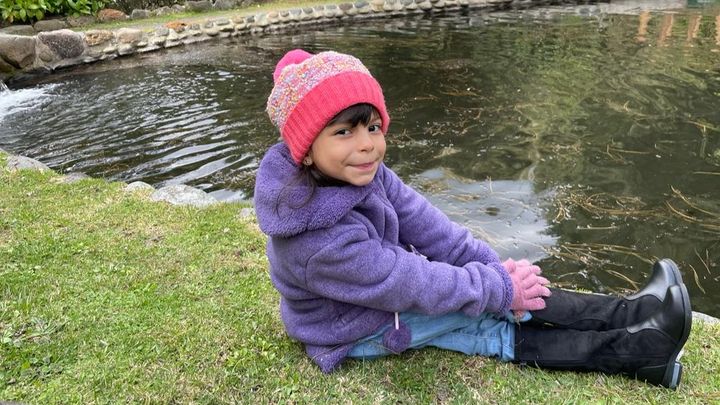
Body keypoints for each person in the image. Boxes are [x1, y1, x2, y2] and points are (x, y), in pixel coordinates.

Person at [254, 49, 692, 389]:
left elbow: (430, 226)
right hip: (353, 326)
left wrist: (496, 271)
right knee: (485, 323)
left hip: (380, 293)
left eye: (372, 127)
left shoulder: (362, 171)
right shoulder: (313, 242)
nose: (367, 144)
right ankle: (641, 353)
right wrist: (496, 290)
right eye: (343, 132)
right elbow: (404, 280)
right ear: (306, 149)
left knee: (515, 288)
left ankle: (635, 311)